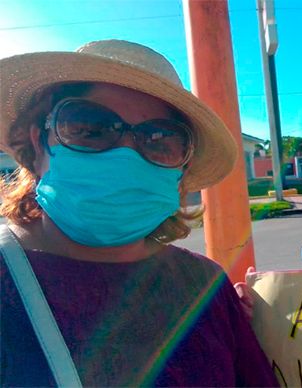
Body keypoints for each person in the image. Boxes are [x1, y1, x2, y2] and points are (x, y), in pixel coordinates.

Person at [0, 40, 278, 386]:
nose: (126, 155)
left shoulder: (206, 287)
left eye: (159, 139)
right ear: (38, 141)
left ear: (181, 170)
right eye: (90, 128)